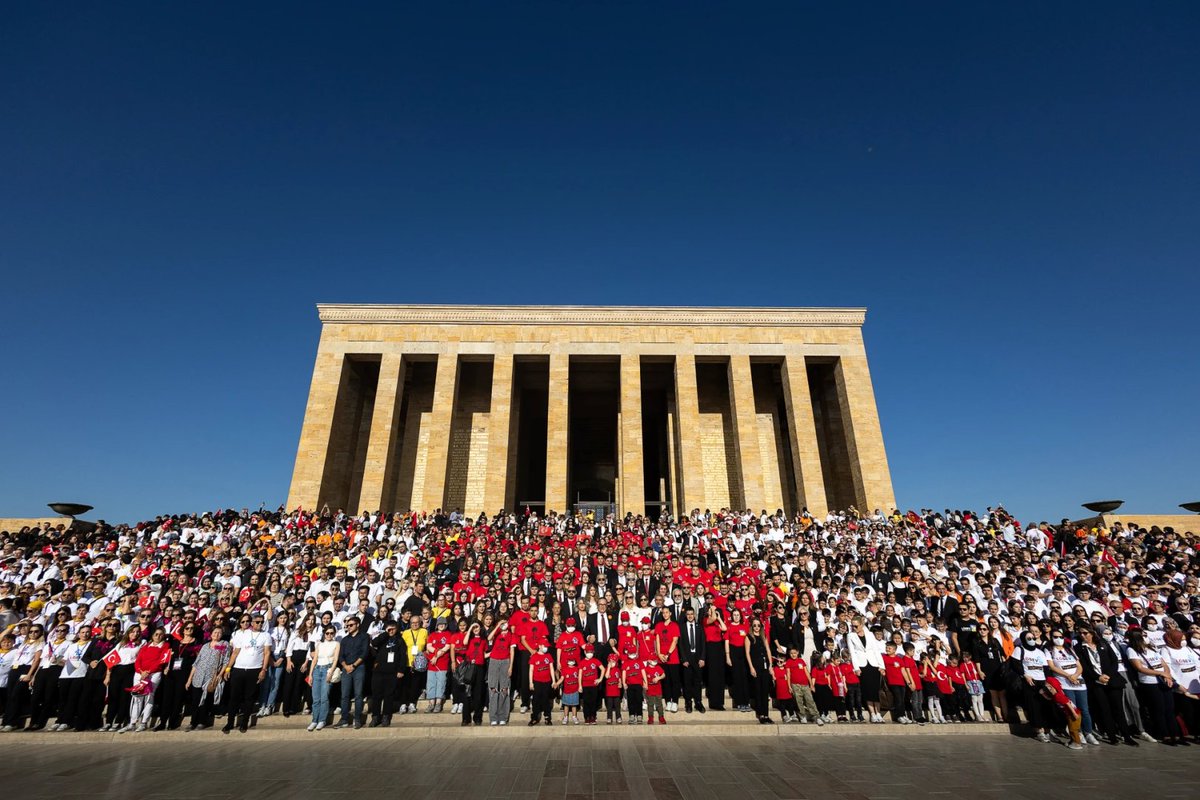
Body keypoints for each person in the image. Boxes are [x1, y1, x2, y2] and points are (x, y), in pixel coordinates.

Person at [1126, 629, 1184, 745]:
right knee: (1159, 709)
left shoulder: (1152, 648)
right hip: (1149, 682)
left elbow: (1164, 664)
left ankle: (1175, 734)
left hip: (1163, 680)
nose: (1146, 637)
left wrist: (1167, 675)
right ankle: (1164, 734)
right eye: (1144, 635)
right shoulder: (1132, 650)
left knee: (1169, 708)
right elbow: (1140, 668)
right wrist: (1160, 673)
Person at [223, 613, 271, 734]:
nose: (259, 624)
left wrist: (263, 670)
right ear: (252, 622)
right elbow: (235, 652)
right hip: (239, 669)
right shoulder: (242, 634)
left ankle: (244, 723)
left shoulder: (266, 636)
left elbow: (266, 654)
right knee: (234, 697)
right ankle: (229, 723)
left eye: (261, 622)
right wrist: (228, 668)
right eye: (257, 622)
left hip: (254, 669)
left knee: (249, 698)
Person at [186, 625, 230, 730]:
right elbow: (196, 663)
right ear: (211, 634)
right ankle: (193, 722)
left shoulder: (223, 645)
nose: (217, 634)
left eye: (219, 633)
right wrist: (189, 679)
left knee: (205, 700)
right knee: (195, 700)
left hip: (211, 676)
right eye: (215, 632)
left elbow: (225, 661)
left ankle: (202, 721)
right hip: (198, 676)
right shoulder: (205, 646)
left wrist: (220, 674)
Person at [368, 619, 404, 727]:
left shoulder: (399, 640)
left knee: (389, 695)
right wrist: (385, 633)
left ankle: (386, 716)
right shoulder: (382, 638)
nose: (391, 630)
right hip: (379, 671)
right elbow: (374, 643)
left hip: (392, 671)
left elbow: (402, 656)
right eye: (389, 628)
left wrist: (401, 670)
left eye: (393, 628)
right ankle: (375, 716)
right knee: (376, 695)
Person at [306, 625, 340, 731]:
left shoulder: (336, 644)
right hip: (317, 670)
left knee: (324, 697)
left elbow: (335, 660)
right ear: (324, 634)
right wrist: (310, 674)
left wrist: (330, 672)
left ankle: (322, 720)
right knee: (316, 698)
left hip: (328, 669)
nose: (329, 635)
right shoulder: (319, 645)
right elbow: (314, 660)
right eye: (327, 633)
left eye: (331, 633)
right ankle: (314, 720)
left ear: (334, 634)